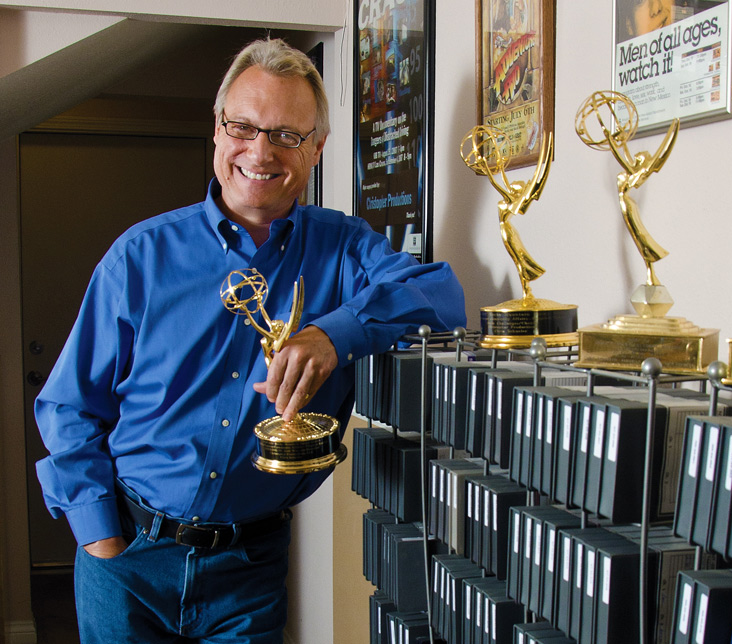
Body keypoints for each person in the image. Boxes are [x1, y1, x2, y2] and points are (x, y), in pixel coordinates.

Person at [34, 37, 466, 643]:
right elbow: (69, 406)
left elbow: (440, 295)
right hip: (128, 559)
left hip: (250, 568)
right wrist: (99, 536)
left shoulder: (345, 250)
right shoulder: (139, 257)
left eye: (288, 135)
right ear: (217, 131)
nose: (260, 151)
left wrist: (333, 335)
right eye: (244, 126)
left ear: (316, 148)